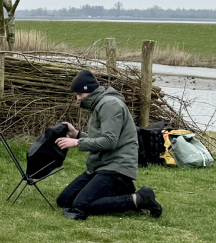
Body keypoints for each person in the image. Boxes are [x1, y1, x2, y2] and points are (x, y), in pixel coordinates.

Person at [55, 69, 162, 219]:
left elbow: (109, 142)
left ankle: (140, 199)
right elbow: (100, 139)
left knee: (81, 205)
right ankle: (124, 191)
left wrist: (77, 142)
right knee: (64, 201)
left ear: (90, 91)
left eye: (80, 94)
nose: (78, 99)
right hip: (101, 166)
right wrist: (77, 134)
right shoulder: (99, 104)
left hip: (117, 167)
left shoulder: (110, 105)